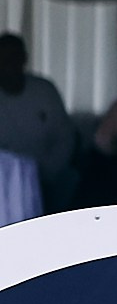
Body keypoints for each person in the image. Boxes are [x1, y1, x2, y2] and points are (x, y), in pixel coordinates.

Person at [0, 32, 74, 208]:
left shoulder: (44, 91)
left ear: (24, 59)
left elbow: (65, 138)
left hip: (45, 179)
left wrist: (46, 172)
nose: (9, 64)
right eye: (3, 58)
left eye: (14, 57)